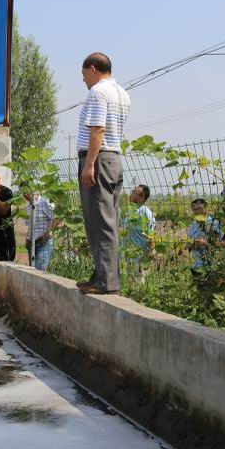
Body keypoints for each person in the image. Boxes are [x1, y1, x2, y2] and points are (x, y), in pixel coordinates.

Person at [76, 52, 130, 295]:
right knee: (108, 220)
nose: (84, 80)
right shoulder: (121, 93)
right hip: (114, 158)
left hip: (99, 159)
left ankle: (106, 281)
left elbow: (97, 130)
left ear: (93, 69)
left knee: (99, 221)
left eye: (84, 74)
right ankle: (102, 275)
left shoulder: (98, 92)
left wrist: (89, 164)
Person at [122, 184, 156, 277]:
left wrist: (147, 259)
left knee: (138, 282)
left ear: (141, 198)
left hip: (139, 259)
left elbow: (151, 237)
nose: (131, 194)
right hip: (129, 256)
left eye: (134, 193)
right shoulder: (132, 211)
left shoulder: (146, 214)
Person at [187, 198, 225, 277]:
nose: (196, 211)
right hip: (197, 267)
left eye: (199, 208)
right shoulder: (192, 226)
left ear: (205, 208)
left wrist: (206, 243)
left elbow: (224, 243)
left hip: (213, 266)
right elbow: (188, 246)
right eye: (194, 209)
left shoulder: (214, 223)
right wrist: (193, 244)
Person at [24, 190, 57, 272]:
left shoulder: (45, 203)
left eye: (26, 192)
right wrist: (27, 239)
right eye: (23, 193)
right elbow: (30, 225)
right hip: (31, 244)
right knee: (32, 271)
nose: (25, 195)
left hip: (44, 243)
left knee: (39, 270)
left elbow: (57, 218)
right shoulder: (28, 207)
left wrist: (47, 233)